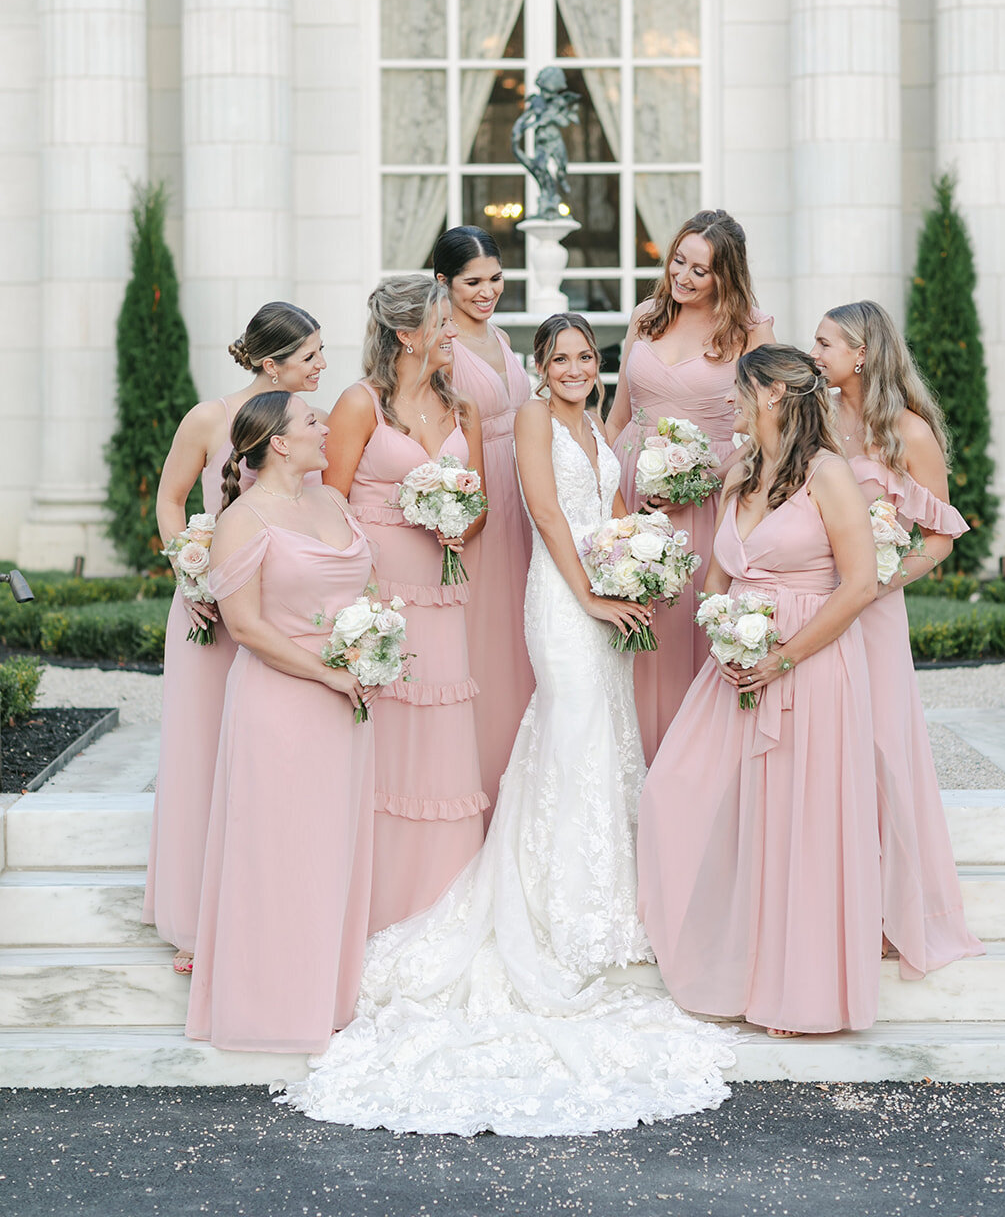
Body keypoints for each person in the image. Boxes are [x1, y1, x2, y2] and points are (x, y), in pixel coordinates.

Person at [282, 314, 734, 1136]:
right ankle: (554, 910)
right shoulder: (530, 417)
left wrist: (643, 545)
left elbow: (605, 509)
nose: (573, 368)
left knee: (606, 742)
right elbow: (548, 516)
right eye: (559, 357)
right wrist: (594, 595)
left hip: (603, 590)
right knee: (568, 736)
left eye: (585, 357)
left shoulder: (596, 422)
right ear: (538, 365)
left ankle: (607, 905)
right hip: (563, 603)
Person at [638, 345, 882, 1037]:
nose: (730, 401)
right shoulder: (742, 470)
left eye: (740, 390)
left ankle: (798, 993)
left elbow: (859, 584)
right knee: (674, 793)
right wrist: (722, 633)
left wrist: (782, 658)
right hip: (735, 660)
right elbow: (718, 577)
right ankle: (726, 962)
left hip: (809, 659)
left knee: (798, 819)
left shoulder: (829, 475)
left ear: (774, 394)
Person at [184, 392, 377, 1053]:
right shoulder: (243, 518)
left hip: (344, 703)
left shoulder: (332, 500)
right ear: (279, 443)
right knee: (278, 857)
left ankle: (323, 998)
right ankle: (268, 1009)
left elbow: (361, 587)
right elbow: (245, 627)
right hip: (281, 705)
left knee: (328, 854)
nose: (328, 427)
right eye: (313, 422)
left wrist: (371, 642)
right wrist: (326, 672)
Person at [143, 303, 326, 974]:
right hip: (208, 614)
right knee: (203, 754)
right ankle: (196, 917)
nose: (321, 366)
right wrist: (188, 573)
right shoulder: (211, 419)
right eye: (309, 355)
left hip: (276, 610)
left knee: (266, 760)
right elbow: (170, 501)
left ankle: (263, 903)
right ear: (270, 363)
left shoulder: (306, 426)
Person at [812, 301, 983, 979]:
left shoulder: (908, 434)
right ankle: (832, 901)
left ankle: (893, 912)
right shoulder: (817, 420)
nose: (814, 351)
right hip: (810, 602)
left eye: (824, 342)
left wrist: (876, 582)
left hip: (873, 612)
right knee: (825, 746)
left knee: (880, 746)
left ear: (859, 354)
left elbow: (939, 539)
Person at [323, 277, 488, 933]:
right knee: (385, 733)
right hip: (380, 593)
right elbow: (330, 502)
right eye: (442, 324)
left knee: (440, 735)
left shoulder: (463, 410)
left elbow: (478, 505)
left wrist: (457, 524)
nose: (454, 335)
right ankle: (378, 900)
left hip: (442, 593)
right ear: (405, 334)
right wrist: (355, 599)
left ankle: (441, 900)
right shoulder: (359, 404)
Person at [606, 210, 774, 762]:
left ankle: (697, 773)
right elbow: (617, 416)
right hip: (633, 489)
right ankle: (637, 771)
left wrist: (698, 481)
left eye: (700, 270)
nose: (683, 276)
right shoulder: (647, 317)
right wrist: (605, 495)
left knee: (693, 629)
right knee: (634, 625)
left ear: (726, 275)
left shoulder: (751, 329)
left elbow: (770, 432)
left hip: (709, 496)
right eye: (679, 260)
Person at [434, 225, 534, 815]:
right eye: (472, 282)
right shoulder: (438, 341)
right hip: (475, 491)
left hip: (521, 491)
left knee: (520, 633)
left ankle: (517, 783)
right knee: (478, 635)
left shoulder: (499, 335)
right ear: (443, 283)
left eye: (495, 279)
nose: (487, 291)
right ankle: (473, 781)